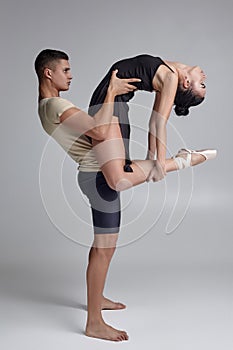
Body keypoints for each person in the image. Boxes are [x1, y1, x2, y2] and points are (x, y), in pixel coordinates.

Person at [35, 49, 216, 342]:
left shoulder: (49, 105)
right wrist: (162, 162)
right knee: (118, 183)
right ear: (48, 73)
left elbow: (154, 121)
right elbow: (100, 130)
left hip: (95, 171)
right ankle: (94, 322)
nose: (71, 75)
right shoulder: (55, 105)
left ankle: (97, 298)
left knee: (105, 245)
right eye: (66, 70)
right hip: (98, 175)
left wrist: (154, 158)